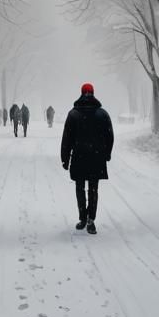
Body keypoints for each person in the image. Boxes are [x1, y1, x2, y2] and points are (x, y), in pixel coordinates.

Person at [60, 82, 114, 235]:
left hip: (79, 156)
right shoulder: (102, 114)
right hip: (96, 157)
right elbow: (109, 136)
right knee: (93, 188)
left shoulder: (73, 114)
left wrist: (65, 158)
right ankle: (91, 220)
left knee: (79, 188)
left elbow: (67, 138)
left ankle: (83, 217)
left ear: (81, 93)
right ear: (93, 93)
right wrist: (107, 153)